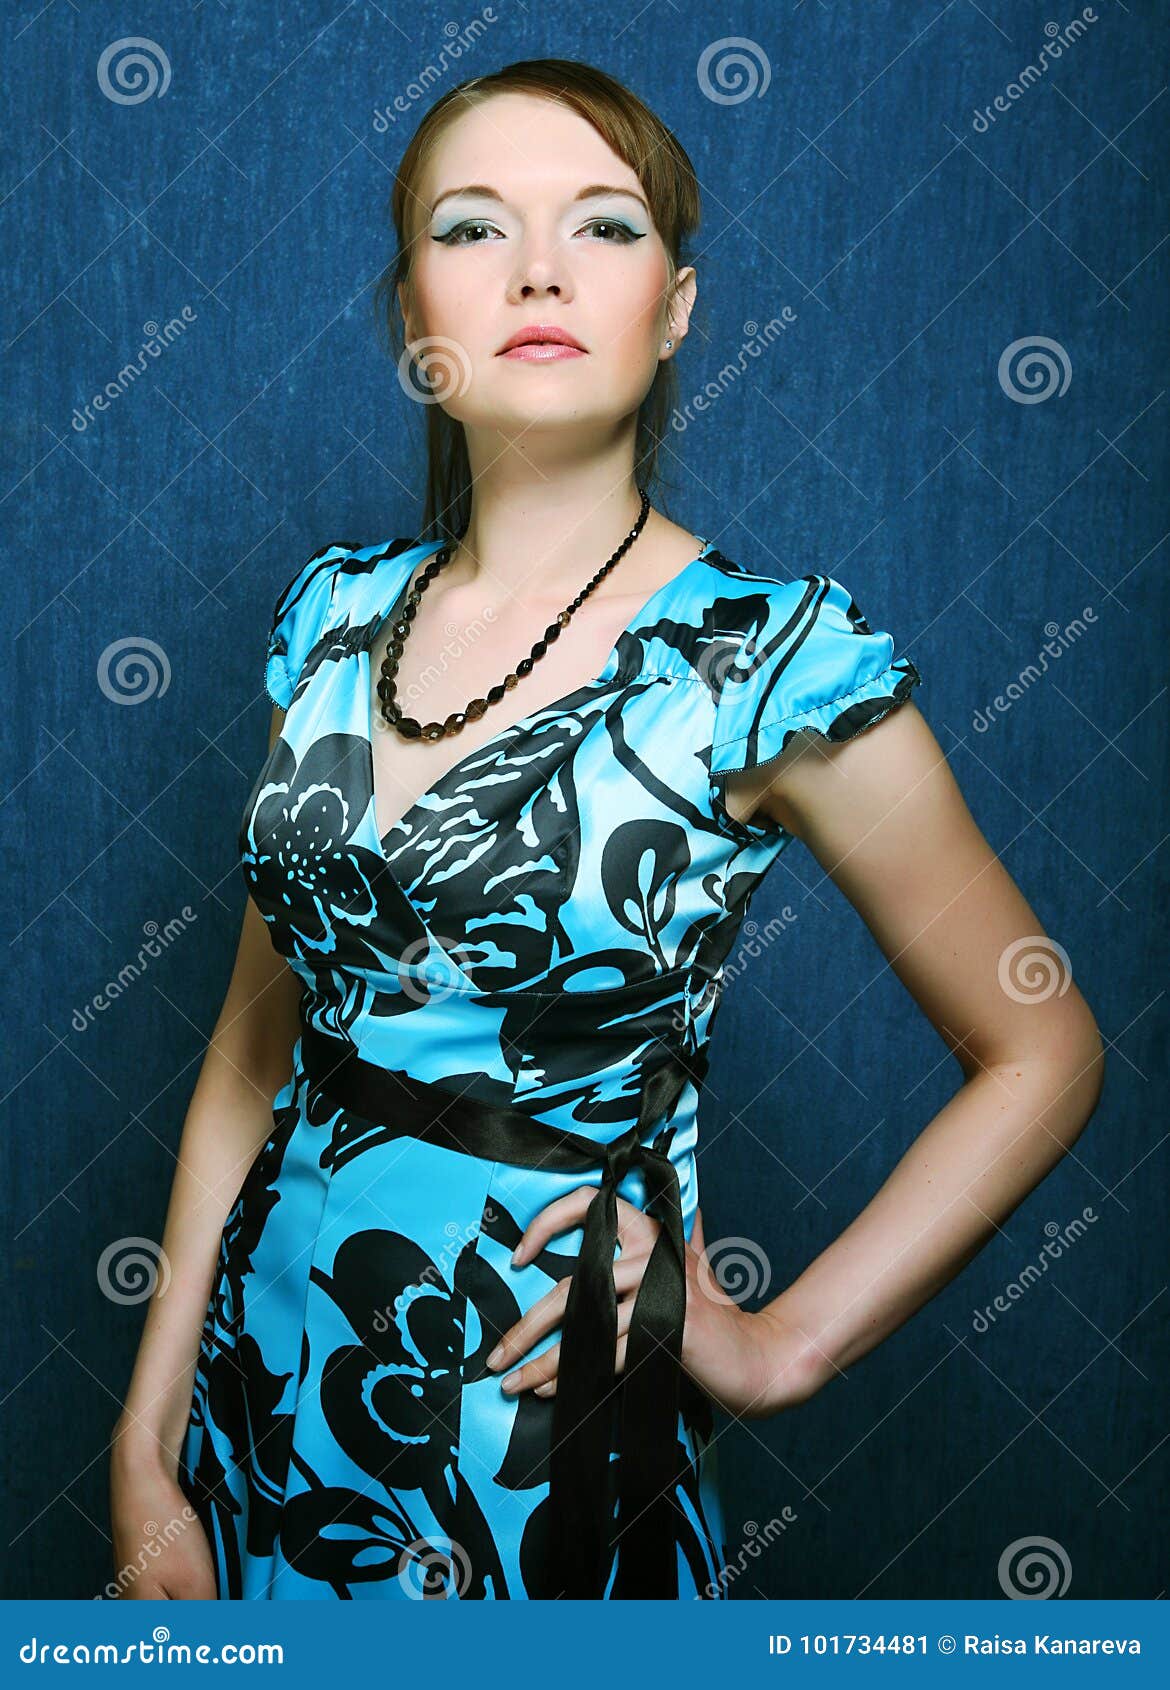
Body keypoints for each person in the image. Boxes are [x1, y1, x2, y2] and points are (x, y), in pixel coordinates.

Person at [108, 58, 1104, 1601]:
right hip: (259, 1399)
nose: (539, 270)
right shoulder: (329, 618)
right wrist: (143, 1432)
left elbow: (1045, 1047)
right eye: (470, 229)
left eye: (603, 226)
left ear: (682, 304)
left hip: (532, 1440)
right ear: (409, 319)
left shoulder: (765, 664)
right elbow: (256, 1049)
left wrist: (773, 1347)